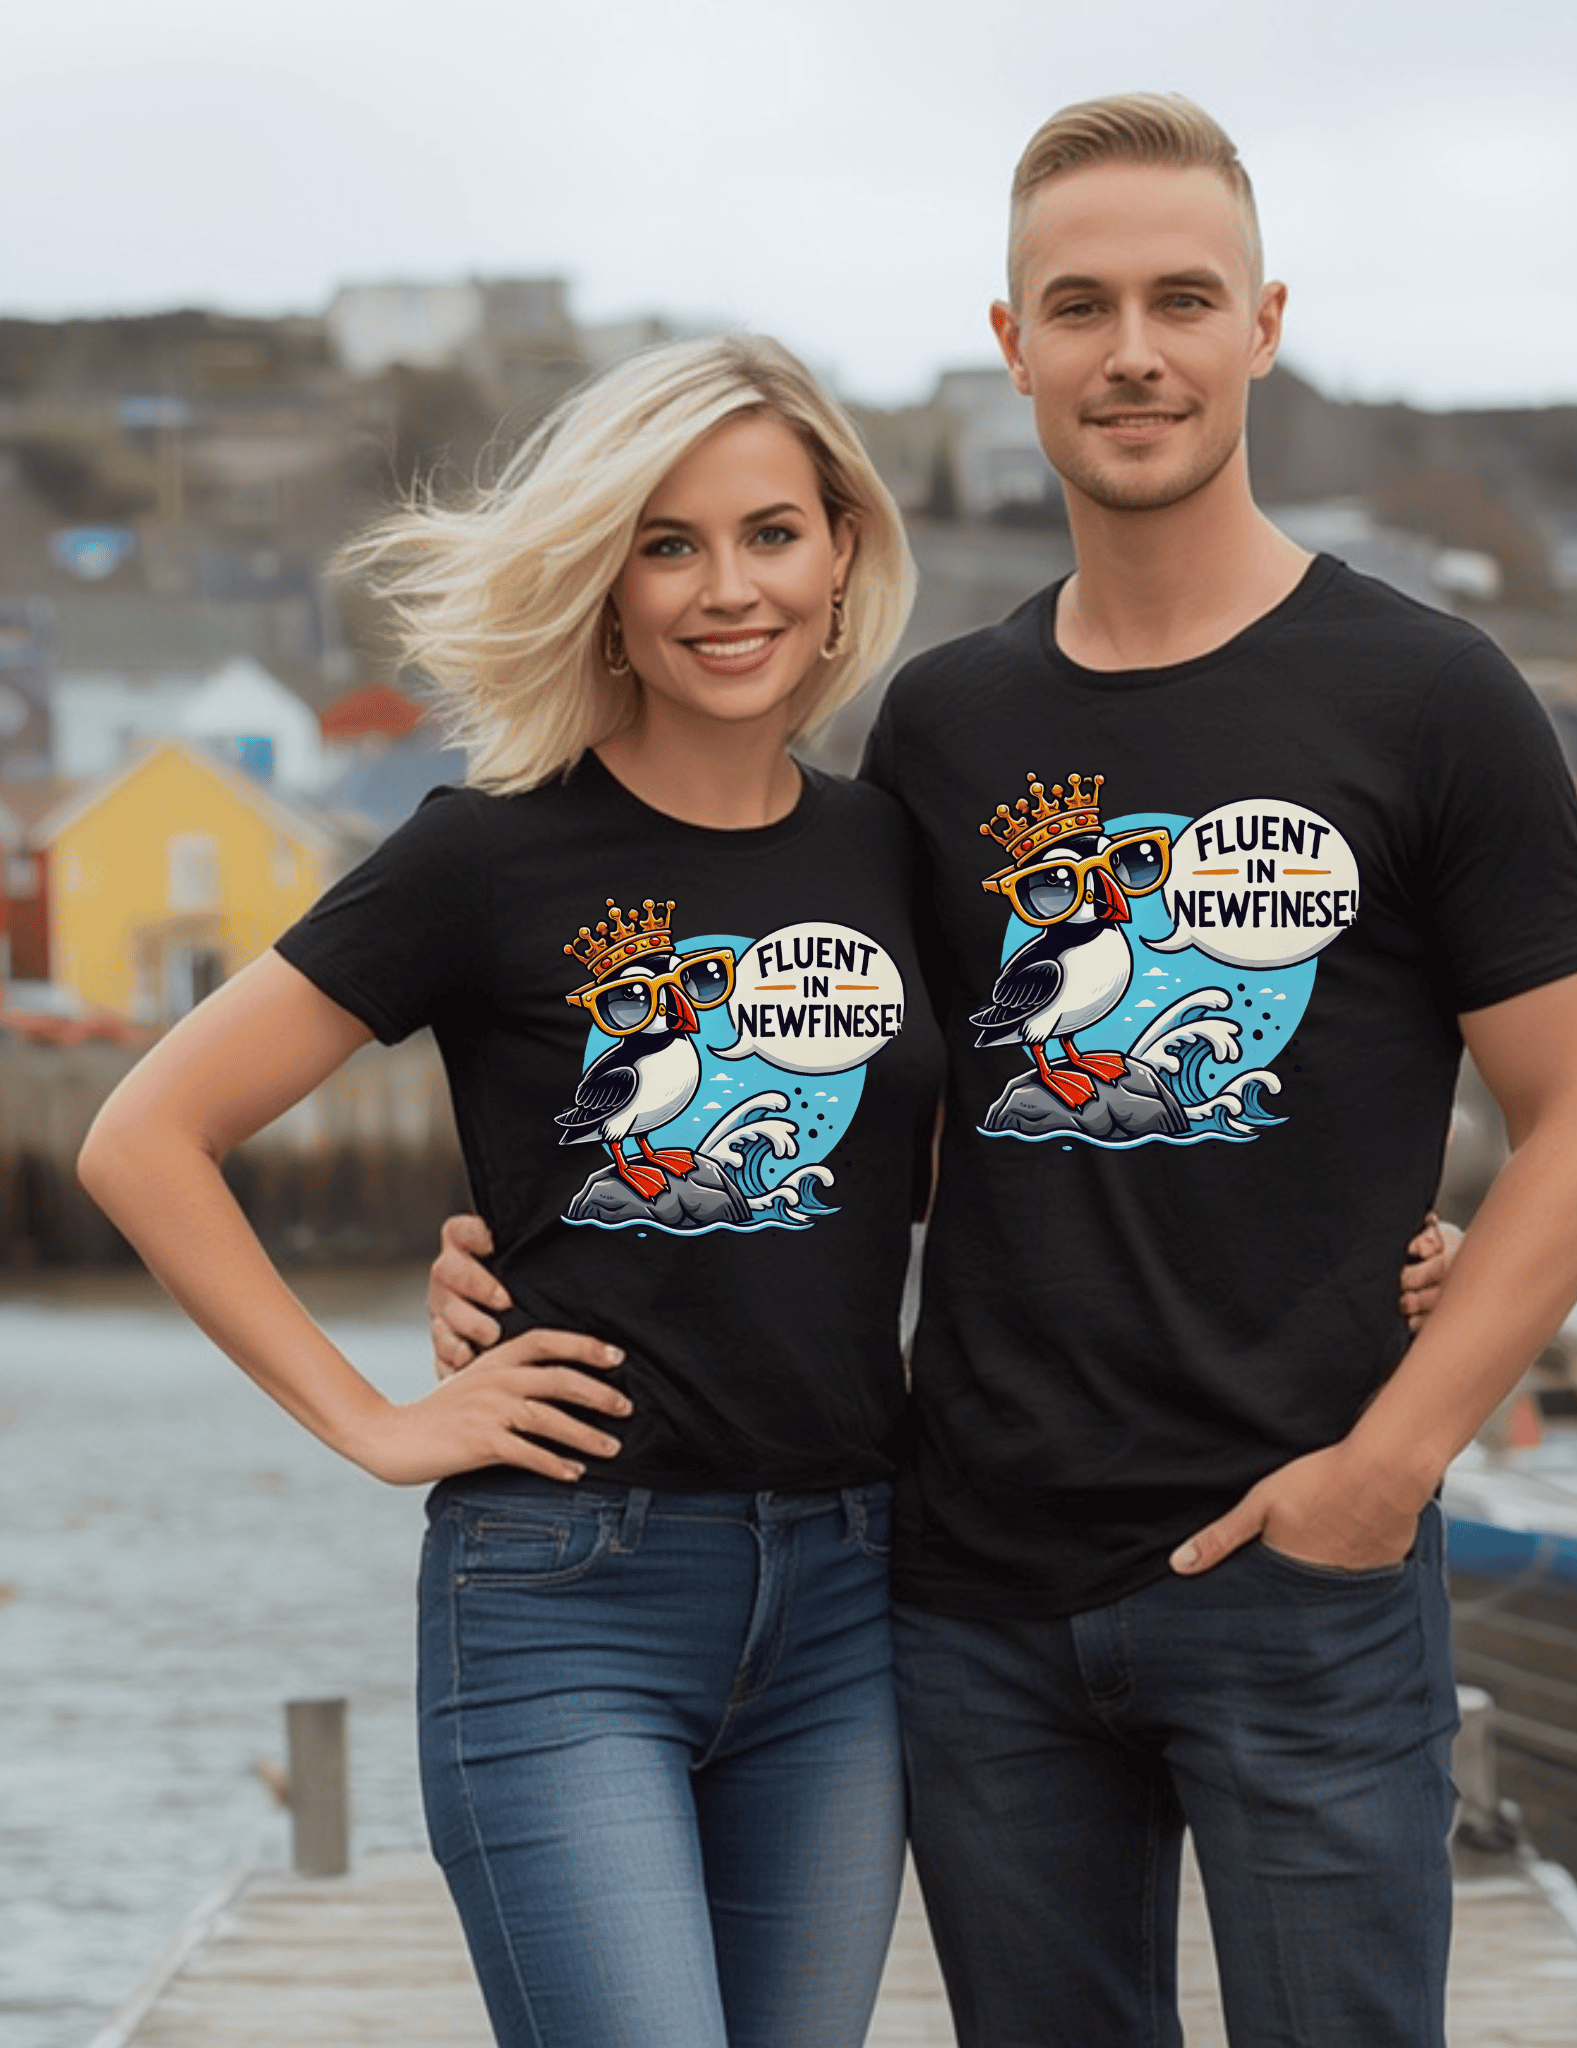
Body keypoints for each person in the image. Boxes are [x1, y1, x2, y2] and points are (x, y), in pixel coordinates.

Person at [432, 91, 1577, 2048]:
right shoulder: (944, 720)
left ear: (1265, 320)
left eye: (1183, 298)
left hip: (1303, 1561)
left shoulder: (1430, 694)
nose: (1134, 351)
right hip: (974, 1590)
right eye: (1079, 306)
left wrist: (1393, 1457)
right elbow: (869, 1106)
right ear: (1011, 347)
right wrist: (540, 1245)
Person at [77, 334, 943, 2048]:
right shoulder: (485, 851)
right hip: (568, 1595)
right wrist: (377, 1421)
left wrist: (1376, 1246)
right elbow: (141, 1137)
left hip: (852, 1590)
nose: (726, 590)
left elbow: (977, 1162)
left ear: (842, 551)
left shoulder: (892, 851)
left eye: (771, 533)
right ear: (604, 582)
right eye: (666, 542)